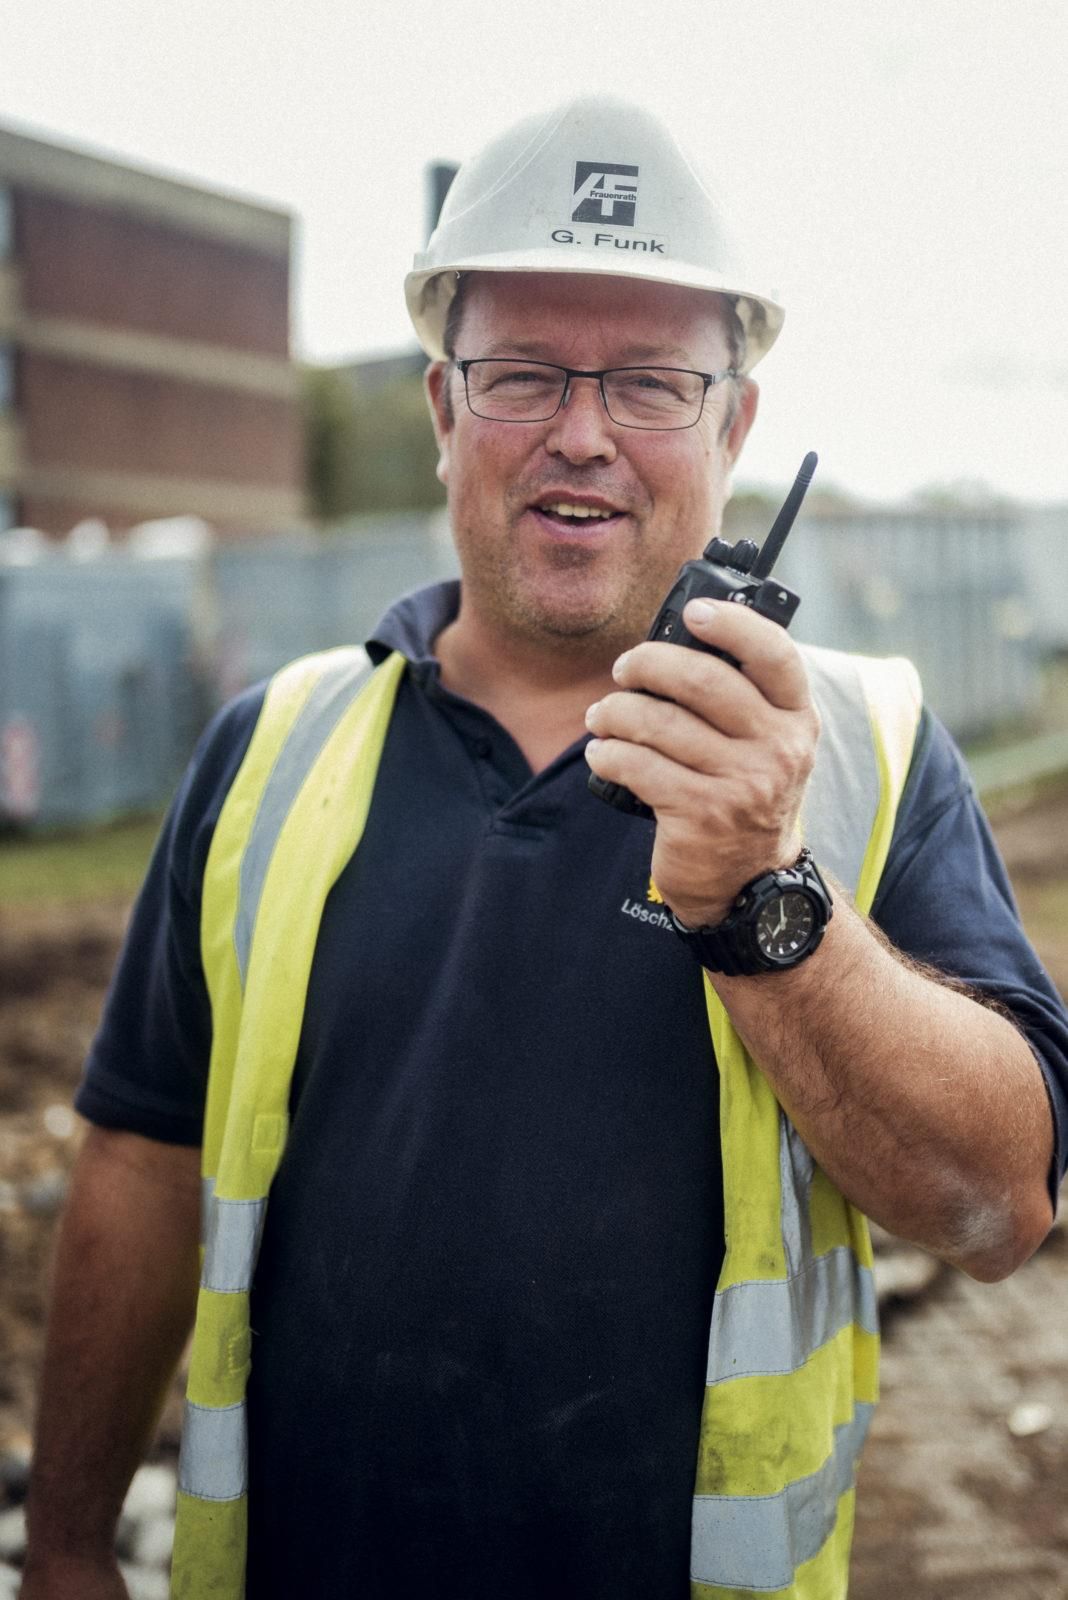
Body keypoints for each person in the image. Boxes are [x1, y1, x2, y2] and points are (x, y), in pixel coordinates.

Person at [23, 97, 1068, 1600]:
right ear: (443, 408)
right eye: (522, 374)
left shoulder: (864, 747)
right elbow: (142, 1154)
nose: (583, 435)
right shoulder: (272, 747)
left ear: (734, 428)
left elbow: (1001, 1207)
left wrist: (765, 897)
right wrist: (67, 1548)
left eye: (650, 382)